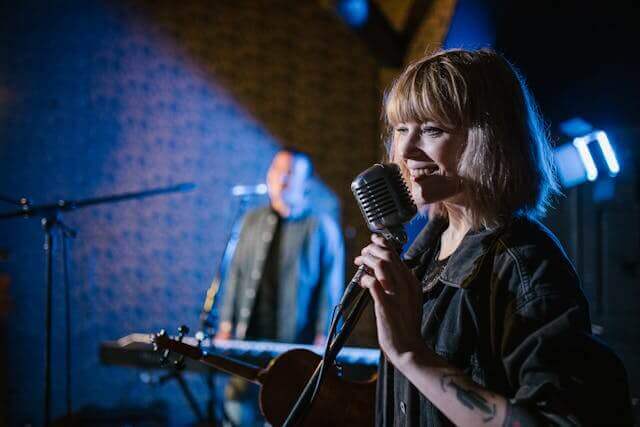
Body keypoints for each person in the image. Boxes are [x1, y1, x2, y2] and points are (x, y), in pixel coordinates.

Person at [354, 49, 633, 426]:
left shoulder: (526, 265)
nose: (404, 150)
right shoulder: (421, 256)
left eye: (432, 129)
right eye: (402, 129)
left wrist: (411, 355)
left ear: (490, 138)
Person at [216, 148, 345, 425]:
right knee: (236, 410)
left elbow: (331, 289)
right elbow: (235, 275)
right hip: (247, 338)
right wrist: (226, 323)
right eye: (277, 170)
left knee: (281, 413)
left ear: (305, 183)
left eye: (290, 174)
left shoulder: (321, 227)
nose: (281, 179)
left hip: (293, 345)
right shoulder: (251, 220)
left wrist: (325, 335)